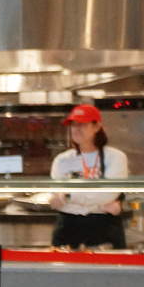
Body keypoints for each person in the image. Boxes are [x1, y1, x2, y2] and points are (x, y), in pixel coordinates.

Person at [49, 102, 129, 249]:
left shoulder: (116, 157)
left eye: (82, 125)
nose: (76, 129)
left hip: (104, 227)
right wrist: (97, 199)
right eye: (73, 125)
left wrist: (69, 196)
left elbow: (108, 194)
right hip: (68, 226)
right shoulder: (62, 160)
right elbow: (57, 195)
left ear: (97, 127)